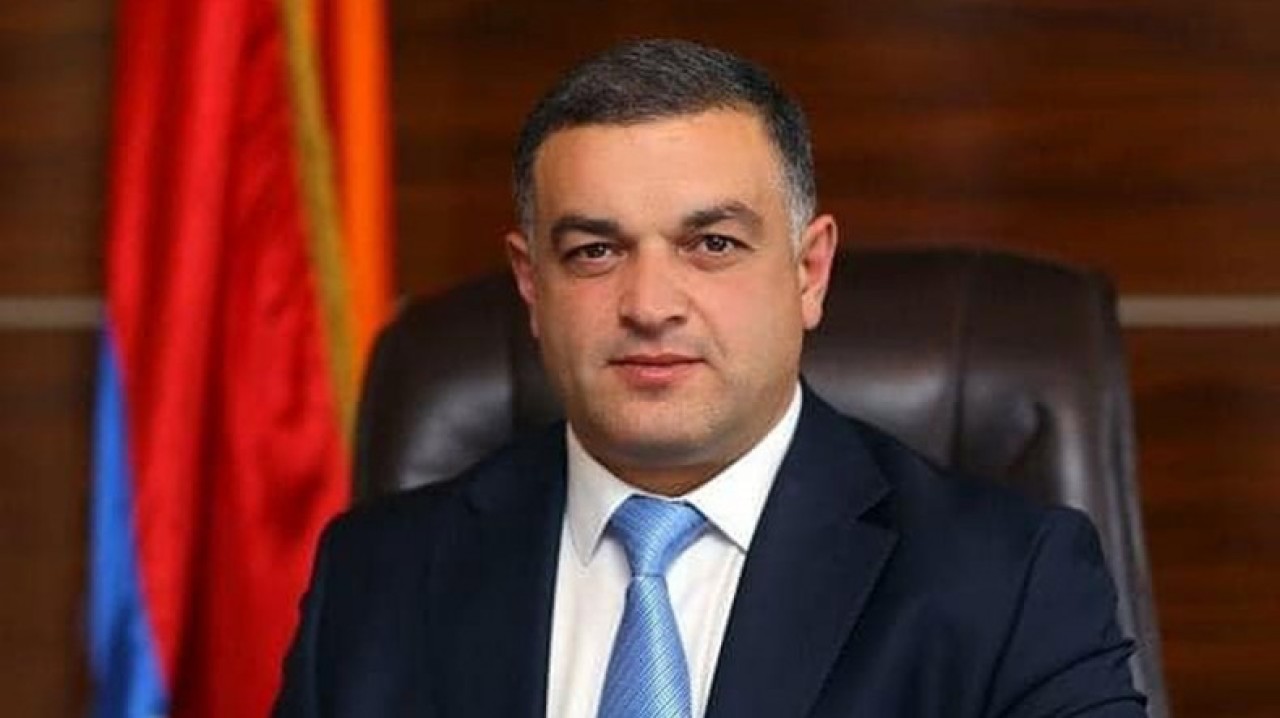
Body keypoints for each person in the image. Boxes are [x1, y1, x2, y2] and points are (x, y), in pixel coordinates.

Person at [274, 39, 1147, 717]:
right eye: (595, 251)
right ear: (531, 285)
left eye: (713, 245)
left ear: (809, 272)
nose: (651, 304)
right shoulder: (374, 577)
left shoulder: (1007, 581)